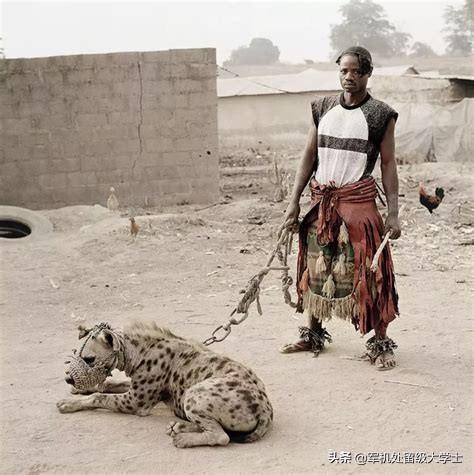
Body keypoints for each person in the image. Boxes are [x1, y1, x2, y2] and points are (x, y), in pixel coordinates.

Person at [279, 46, 401, 370]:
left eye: (355, 72)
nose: (349, 77)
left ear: (367, 74)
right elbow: (309, 155)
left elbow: (388, 164)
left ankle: (380, 342)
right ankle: (313, 334)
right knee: (317, 268)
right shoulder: (322, 108)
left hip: (358, 205)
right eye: (344, 71)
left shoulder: (380, 115)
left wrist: (393, 212)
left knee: (370, 273)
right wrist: (293, 201)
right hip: (322, 202)